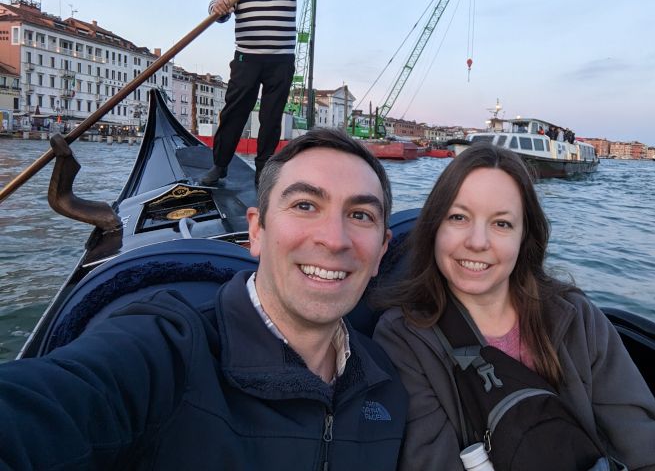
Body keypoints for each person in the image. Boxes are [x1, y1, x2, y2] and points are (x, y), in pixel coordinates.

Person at [0, 128, 407, 470]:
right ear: (257, 231)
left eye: (360, 215)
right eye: (304, 205)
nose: (334, 239)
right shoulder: (163, 352)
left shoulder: (388, 383)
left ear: (382, 251)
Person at [373, 143, 655, 470]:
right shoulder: (405, 337)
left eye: (502, 224)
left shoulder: (577, 319)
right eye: (458, 217)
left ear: (524, 236)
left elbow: (645, 450)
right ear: (434, 228)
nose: (477, 241)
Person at [201, 0, 324, 187]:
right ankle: (219, 165)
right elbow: (216, 7)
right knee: (234, 112)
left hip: (280, 61)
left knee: (271, 118)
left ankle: (263, 172)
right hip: (246, 58)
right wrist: (219, 8)